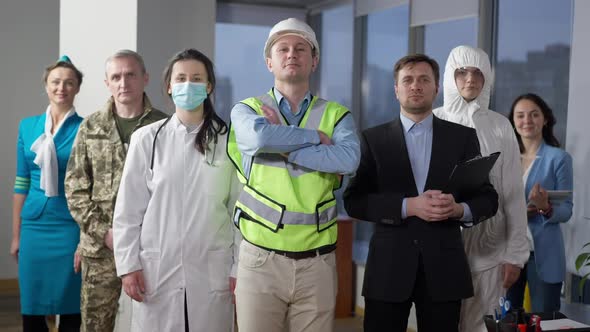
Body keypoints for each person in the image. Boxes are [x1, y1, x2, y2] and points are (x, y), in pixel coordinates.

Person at [344, 54, 499, 332]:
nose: (416, 85)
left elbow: (488, 198)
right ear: (396, 89)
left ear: (436, 88)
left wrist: (458, 209)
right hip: (387, 271)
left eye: (424, 79)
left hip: (444, 269)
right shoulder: (373, 138)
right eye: (408, 80)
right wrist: (407, 206)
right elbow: (354, 201)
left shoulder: (462, 137)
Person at [227, 18, 360, 332]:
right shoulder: (246, 110)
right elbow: (258, 139)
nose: (292, 54)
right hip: (261, 262)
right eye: (283, 49)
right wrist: (314, 138)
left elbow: (348, 159)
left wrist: (280, 140)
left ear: (313, 61)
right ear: (269, 61)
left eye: (301, 49)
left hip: (318, 263)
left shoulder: (336, 115)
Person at [113, 48, 241, 332]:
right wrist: (128, 266)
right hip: (156, 271)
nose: (188, 85)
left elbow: (240, 212)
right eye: (180, 78)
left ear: (208, 86)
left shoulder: (230, 141)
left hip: (212, 270)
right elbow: (128, 211)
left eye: (196, 78)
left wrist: (238, 268)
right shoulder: (147, 138)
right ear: (169, 86)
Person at [65, 49, 167, 332]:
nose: (124, 83)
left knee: (154, 323)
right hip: (100, 251)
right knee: (95, 326)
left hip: (149, 248)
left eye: (130, 75)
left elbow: (172, 193)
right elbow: (75, 190)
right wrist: (105, 233)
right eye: (116, 77)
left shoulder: (164, 127)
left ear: (144, 78)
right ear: (107, 82)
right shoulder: (90, 127)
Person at [432, 45, 529, 331]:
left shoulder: (500, 126)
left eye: (478, 73)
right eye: (462, 72)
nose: (470, 80)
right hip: (442, 248)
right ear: (451, 75)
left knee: (481, 327)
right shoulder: (431, 121)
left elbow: (512, 192)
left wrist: (515, 255)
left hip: (490, 250)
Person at [12, 56, 84, 332]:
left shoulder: (85, 127)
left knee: (70, 306)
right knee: (31, 308)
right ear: (46, 85)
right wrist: (17, 235)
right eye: (56, 82)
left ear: (77, 88)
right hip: (33, 224)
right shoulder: (27, 126)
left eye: (69, 83)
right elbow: (21, 182)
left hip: (69, 224)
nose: (61, 87)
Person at [506, 93, 573, 313]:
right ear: (513, 122)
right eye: (520, 115)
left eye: (534, 114)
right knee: (506, 319)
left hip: (542, 254)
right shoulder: (505, 159)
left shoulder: (558, 158)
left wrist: (545, 207)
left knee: (544, 320)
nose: (527, 120)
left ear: (545, 119)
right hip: (508, 252)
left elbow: (566, 210)